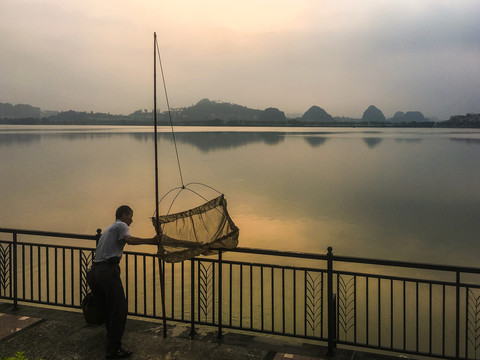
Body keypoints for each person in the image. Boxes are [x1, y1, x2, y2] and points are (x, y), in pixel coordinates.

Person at [87, 205, 161, 359]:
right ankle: (114, 349)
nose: (131, 220)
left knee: (107, 310)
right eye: (130, 216)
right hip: (107, 272)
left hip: (94, 272)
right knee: (119, 311)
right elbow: (129, 240)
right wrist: (152, 241)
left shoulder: (109, 229)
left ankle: (111, 344)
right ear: (123, 215)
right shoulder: (121, 225)